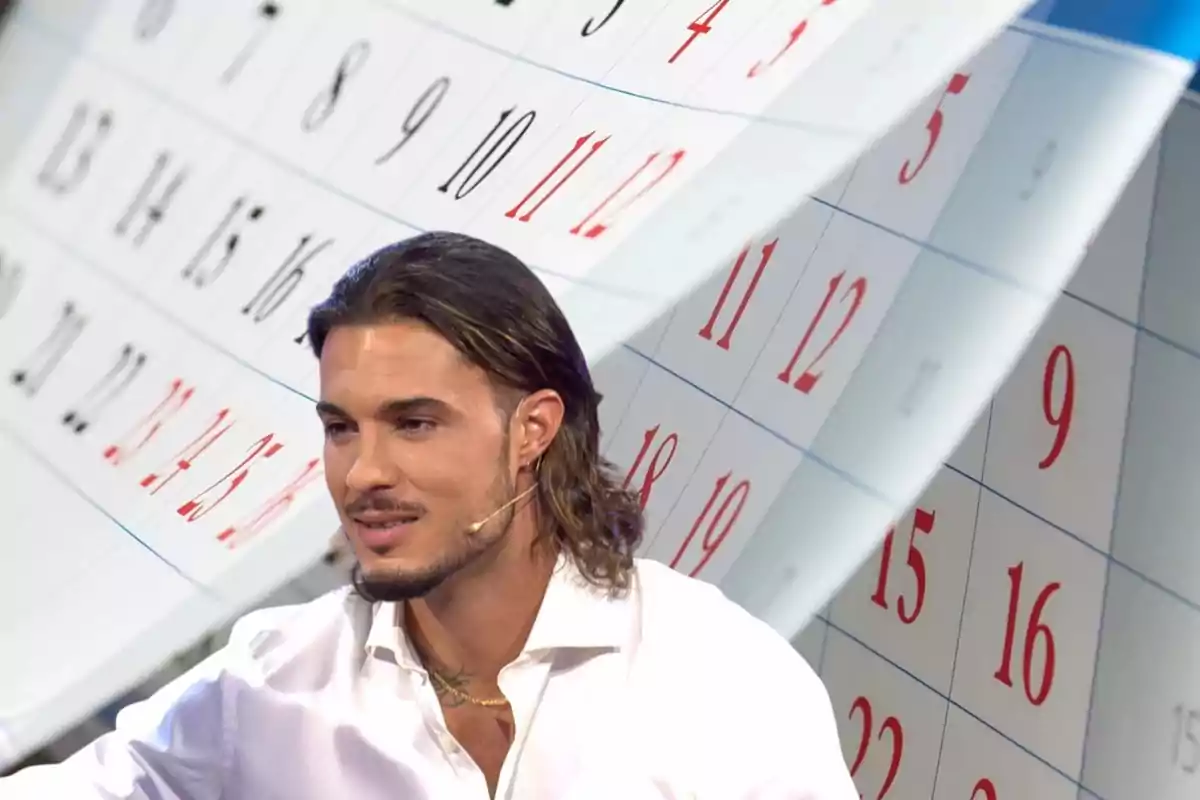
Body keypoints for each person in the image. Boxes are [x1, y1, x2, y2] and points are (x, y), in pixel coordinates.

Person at [0, 232, 857, 798]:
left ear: (532, 430)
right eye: (341, 428)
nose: (363, 472)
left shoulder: (719, 678)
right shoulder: (271, 684)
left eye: (414, 423)